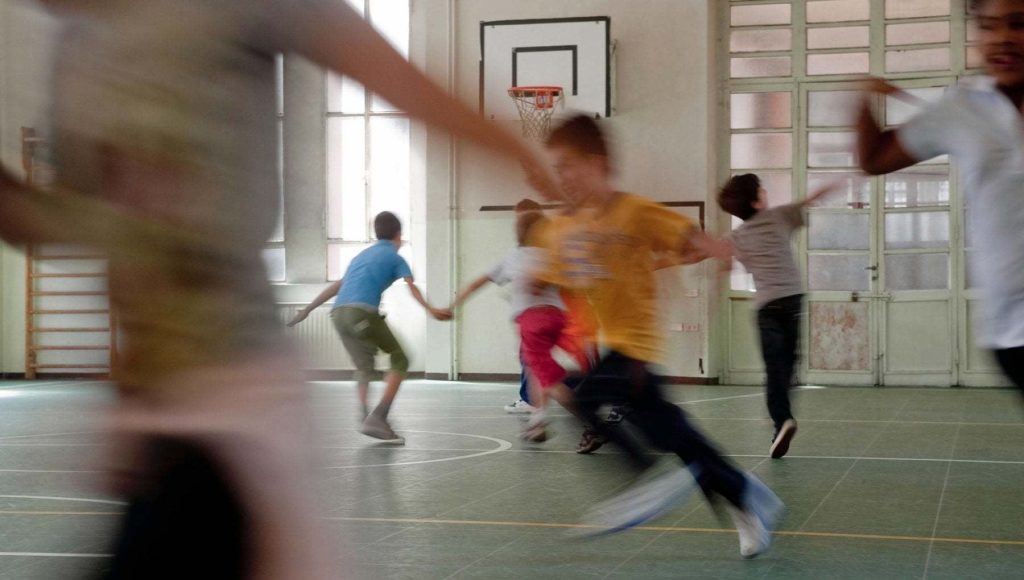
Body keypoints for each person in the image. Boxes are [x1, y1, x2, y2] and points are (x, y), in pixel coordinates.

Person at [0, 1, 554, 577]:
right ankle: (374, 412)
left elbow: (395, 78)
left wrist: (515, 149)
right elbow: (80, 229)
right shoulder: (77, 47)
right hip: (159, 408)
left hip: (230, 401)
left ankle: (372, 411)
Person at [535, 115, 784, 558]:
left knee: (575, 392)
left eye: (569, 165)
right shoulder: (565, 228)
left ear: (597, 162)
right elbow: (559, 275)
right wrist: (539, 282)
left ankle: (640, 475)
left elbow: (685, 233)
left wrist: (718, 249)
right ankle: (748, 497)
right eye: (557, 169)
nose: (563, 177)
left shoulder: (633, 210)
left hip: (634, 348)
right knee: (683, 442)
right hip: (609, 347)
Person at [855, 0, 1024, 394]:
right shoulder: (962, 106)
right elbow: (875, 159)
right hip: (1011, 329)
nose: (1002, 39)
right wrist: (863, 100)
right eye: (988, 26)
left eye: (1018, 24)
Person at [289, 212, 451, 444]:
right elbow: (411, 287)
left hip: (337, 315)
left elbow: (338, 286)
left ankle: (365, 418)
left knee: (364, 367)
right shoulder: (396, 256)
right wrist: (431, 309)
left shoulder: (361, 256)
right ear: (398, 235)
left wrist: (308, 309)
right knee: (400, 358)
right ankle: (379, 416)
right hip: (360, 312)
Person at [717, 174, 839, 458]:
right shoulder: (779, 216)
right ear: (757, 200)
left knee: (775, 368)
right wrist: (838, 180)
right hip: (793, 300)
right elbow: (812, 198)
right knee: (789, 365)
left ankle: (781, 419)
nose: (766, 192)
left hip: (766, 306)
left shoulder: (737, 236)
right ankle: (781, 415)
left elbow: (710, 255)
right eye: (762, 190)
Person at [450, 210, 584, 441]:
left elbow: (478, 283)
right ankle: (537, 421)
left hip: (532, 322)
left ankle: (589, 418)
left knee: (549, 379)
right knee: (535, 368)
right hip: (557, 319)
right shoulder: (552, 256)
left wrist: (453, 305)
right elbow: (573, 284)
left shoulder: (515, 255)